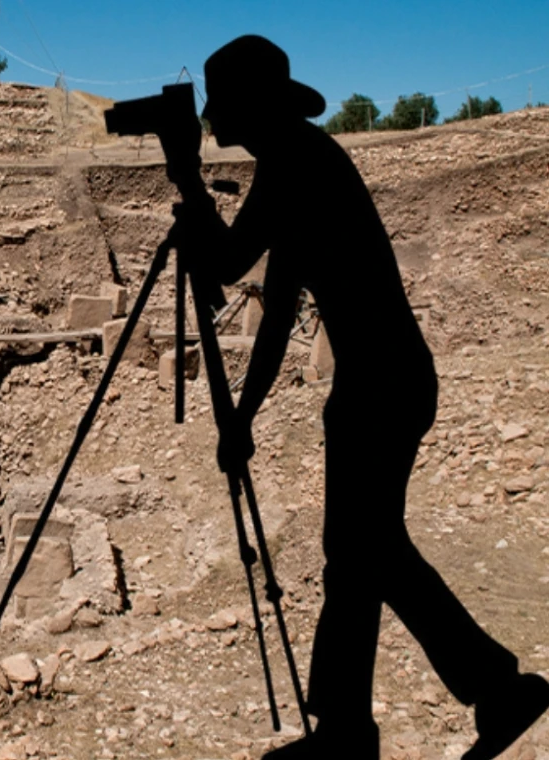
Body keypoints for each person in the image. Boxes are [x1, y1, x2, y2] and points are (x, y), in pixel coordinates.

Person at [176, 34, 549, 760]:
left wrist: (189, 184)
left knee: (364, 552)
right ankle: (370, 726)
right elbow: (278, 309)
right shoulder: (301, 161)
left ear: (248, 107)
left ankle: (479, 693)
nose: (212, 118)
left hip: (382, 385)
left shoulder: (293, 163)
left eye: (220, 105)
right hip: (378, 383)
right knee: (360, 554)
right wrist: (243, 419)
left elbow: (224, 263)